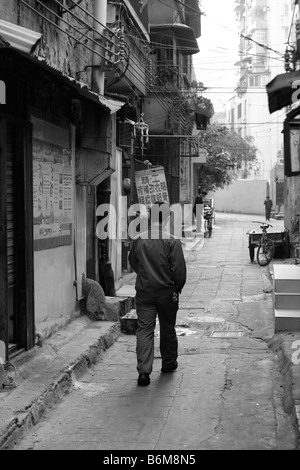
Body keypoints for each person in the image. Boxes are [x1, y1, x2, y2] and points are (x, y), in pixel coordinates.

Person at [128, 201, 187, 386]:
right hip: (167, 293)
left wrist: (145, 275)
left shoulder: (138, 239)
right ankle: (168, 363)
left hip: (145, 292)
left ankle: (144, 372)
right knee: (167, 328)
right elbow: (179, 271)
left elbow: (133, 262)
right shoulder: (172, 241)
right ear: (167, 217)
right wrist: (177, 287)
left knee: (144, 330)